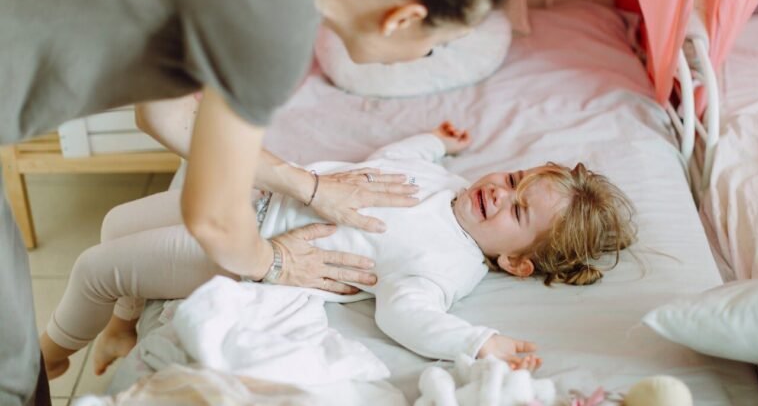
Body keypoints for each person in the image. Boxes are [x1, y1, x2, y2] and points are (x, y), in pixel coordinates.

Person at [0, 0, 514, 403]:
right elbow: (214, 219)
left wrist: (310, 186)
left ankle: (83, 342)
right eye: (435, 46)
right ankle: (46, 362)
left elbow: (164, 116)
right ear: (401, 18)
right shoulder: (276, 24)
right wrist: (276, 263)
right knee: (14, 369)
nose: (426, 56)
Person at [39, 121, 637, 378]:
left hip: (254, 251)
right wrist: (435, 140)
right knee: (115, 224)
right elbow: (398, 158)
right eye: (514, 179)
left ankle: (52, 354)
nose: (501, 193)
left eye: (518, 211)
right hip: (251, 194)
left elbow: (410, 316)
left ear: (515, 262)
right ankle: (121, 324)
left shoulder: (447, 266)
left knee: (95, 268)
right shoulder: (447, 185)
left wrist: (479, 342)